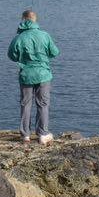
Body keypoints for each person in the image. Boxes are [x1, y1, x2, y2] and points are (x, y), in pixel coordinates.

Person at [7, 9, 59, 145]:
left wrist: (22, 58)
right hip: (43, 74)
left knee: (25, 104)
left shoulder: (19, 37)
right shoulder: (45, 35)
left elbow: (11, 55)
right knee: (43, 104)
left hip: (26, 75)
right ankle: (43, 134)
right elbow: (54, 52)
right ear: (35, 20)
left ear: (23, 20)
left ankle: (25, 135)